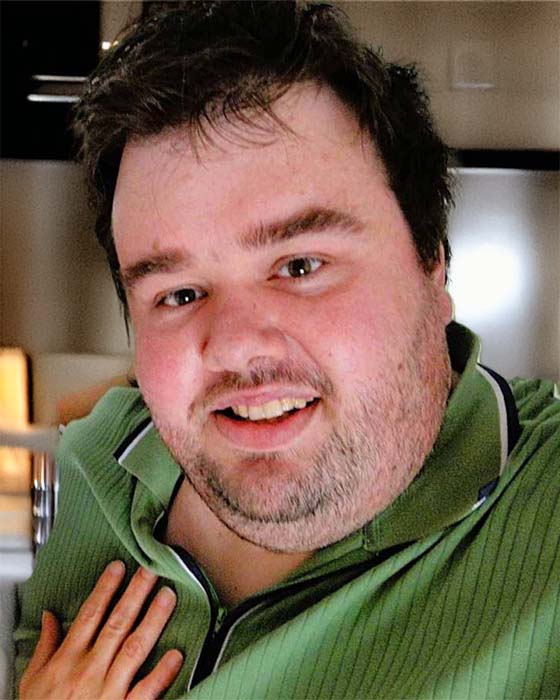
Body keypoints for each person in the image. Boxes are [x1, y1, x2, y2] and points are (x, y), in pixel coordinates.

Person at [15, 2, 559, 698]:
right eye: (179, 293)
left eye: (300, 266)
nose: (235, 346)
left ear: (432, 263)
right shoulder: (95, 462)